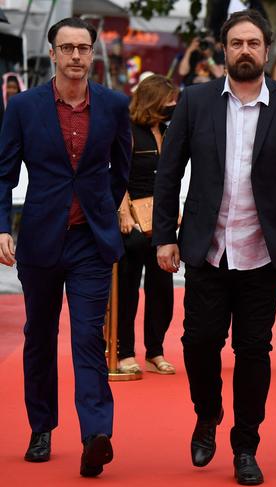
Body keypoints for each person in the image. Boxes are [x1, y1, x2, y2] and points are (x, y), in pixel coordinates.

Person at [152, 10, 276, 485]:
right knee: (198, 342)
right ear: (223, 51)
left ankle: (245, 444)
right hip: (207, 248)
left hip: (264, 252)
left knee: (253, 349)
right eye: (236, 43)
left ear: (267, 50)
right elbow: (168, 173)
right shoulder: (195, 100)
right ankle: (207, 415)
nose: (245, 50)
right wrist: (165, 236)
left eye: (253, 43)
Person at [0, 17, 130, 477]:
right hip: (40, 239)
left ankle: (96, 434)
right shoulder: (25, 107)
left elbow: (122, 169)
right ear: (52, 54)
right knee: (39, 336)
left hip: (90, 243)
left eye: (84, 48)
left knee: (88, 337)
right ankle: (41, 426)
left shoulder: (115, 105)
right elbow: (4, 172)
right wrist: (2, 226)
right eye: (67, 48)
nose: (76, 56)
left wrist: (101, 208)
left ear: (93, 54)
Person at [116, 75, 178, 375]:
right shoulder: (127, 131)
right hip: (132, 223)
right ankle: (124, 350)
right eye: (168, 102)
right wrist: (124, 212)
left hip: (161, 223)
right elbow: (114, 174)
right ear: (153, 101)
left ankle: (155, 349)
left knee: (162, 290)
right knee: (127, 289)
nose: (173, 106)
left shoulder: (167, 131)